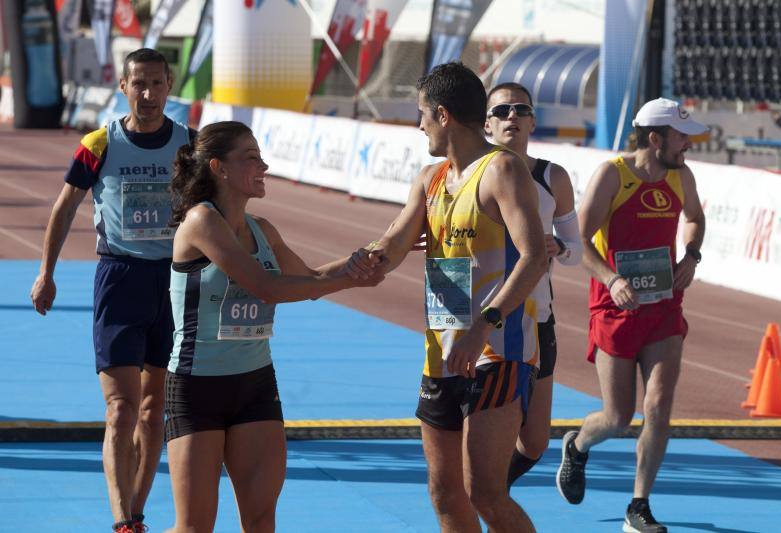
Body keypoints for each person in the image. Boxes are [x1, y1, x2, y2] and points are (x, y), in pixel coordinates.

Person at [348, 62, 548, 532]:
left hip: (496, 349)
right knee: (444, 493)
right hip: (442, 349)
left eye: (422, 114)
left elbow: (535, 257)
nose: (419, 126)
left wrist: (483, 326)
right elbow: (394, 242)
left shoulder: (501, 170)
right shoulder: (430, 178)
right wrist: (359, 261)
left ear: (443, 114)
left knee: (486, 493)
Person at [165, 120, 382, 533]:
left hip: (255, 386)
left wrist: (371, 256)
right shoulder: (201, 222)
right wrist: (350, 280)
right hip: (197, 387)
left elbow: (311, 279)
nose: (263, 166)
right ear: (218, 168)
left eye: (262, 157)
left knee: (261, 520)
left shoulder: (262, 230)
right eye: (251, 158)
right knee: (194, 527)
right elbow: (266, 287)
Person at [29, 48, 192, 533]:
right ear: (123, 87)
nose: (148, 93)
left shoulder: (189, 145)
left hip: (174, 283)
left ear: (169, 86)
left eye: (156, 83)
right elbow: (64, 208)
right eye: (138, 83)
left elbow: (215, 210)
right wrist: (46, 272)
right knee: (121, 408)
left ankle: (135, 513)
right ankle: (122, 521)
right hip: (120, 280)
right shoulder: (99, 144)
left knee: (153, 411)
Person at [555, 98, 706, 533]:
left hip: (663, 305)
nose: (688, 145)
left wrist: (691, 255)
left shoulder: (681, 176)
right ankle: (578, 445)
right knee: (617, 417)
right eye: (681, 137)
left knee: (658, 405)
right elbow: (578, 240)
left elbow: (695, 218)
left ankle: (639, 505)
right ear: (655, 138)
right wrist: (612, 279)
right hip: (614, 306)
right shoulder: (613, 175)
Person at [482, 82, 583, 488]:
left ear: (532, 122)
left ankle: (490, 492)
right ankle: (484, 497)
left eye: (520, 110)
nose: (512, 116)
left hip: (536, 318)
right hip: (483, 320)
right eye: (502, 110)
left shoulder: (551, 177)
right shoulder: (472, 174)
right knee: (483, 430)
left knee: (535, 441)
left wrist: (560, 246)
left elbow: (576, 250)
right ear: (486, 123)